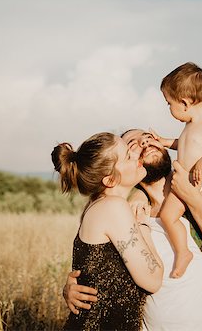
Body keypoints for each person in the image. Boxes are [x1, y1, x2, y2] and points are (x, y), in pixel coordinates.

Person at [63, 129, 202, 331]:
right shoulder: (131, 213)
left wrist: (192, 198)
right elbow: (98, 263)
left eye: (148, 137)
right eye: (132, 145)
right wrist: (75, 286)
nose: (144, 142)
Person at [52, 132, 164, 331]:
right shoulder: (114, 208)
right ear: (110, 180)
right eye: (128, 157)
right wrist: (143, 226)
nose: (136, 156)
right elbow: (153, 280)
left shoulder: (99, 205)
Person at [155, 62, 202, 289]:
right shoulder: (190, 125)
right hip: (187, 183)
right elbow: (185, 145)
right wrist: (166, 142)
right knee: (168, 216)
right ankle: (183, 252)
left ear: (185, 103)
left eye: (169, 104)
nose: (169, 109)